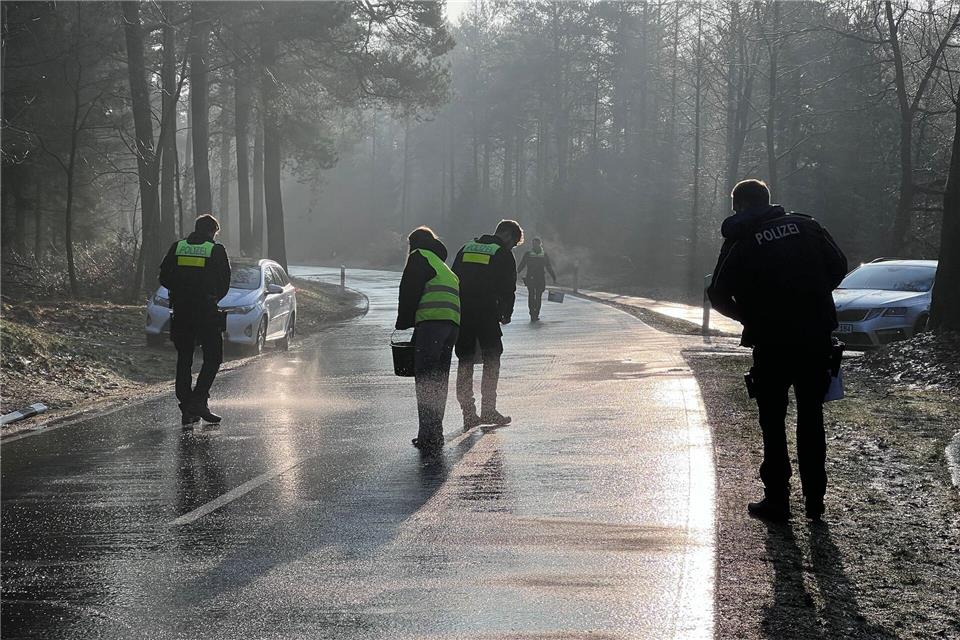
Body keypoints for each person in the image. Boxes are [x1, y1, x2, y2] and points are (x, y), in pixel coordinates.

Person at [708, 179, 848, 522]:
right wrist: (812, 296)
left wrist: (749, 317)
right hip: (815, 337)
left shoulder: (741, 238)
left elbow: (718, 293)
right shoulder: (807, 226)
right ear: (768, 200)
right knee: (811, 417)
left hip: (771, 342)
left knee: (772, 421)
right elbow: (839, 265)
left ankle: (777, 500)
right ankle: (815, 500)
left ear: (739, 206)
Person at [159, 214, 231, 426]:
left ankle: (188, 404)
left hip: (181, 311)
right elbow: (225, 282)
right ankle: (198, 400)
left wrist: (181, 291)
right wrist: (211, 296)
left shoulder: (178, 246)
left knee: (184, 357)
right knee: (214, 357)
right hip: (206, 311)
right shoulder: (216, 250)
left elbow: (163, 277)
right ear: (212, 231)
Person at [452, 219, 523, 429]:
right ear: (508, 236)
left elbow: (453, 277)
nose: (512, 248)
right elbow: (508, 288)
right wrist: (506, 313)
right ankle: (488, 410)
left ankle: (468, 414)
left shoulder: (466, 247)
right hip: (486, 314)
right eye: (513, 244)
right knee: (492, 357)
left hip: (463, 313)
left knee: (465, 361)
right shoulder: (502, 253)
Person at [396, 226, 461, 454]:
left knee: (424, 378)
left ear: (413, 243)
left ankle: (427, 436)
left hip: (432, 324)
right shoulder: (440, 263)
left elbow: (409, 290)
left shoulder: (418, 257)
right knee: (439, 379)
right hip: (451, 326)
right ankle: (436, 433)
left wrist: (403, 322)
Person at [517, 237, 557, 321]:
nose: (534, 245)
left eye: (535, 244)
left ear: (540, 244)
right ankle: (532, 314)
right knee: (532, 295)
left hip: (540, 278)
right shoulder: (528, 254)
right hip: (530, 277)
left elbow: (549, 267)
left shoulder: (544, 255)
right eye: (533, 244)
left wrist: (554, 277)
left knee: (538, 296)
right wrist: (515, 273)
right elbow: (522, 264)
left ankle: (536, 313)